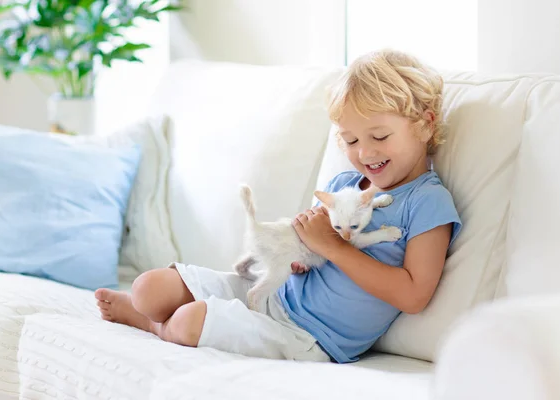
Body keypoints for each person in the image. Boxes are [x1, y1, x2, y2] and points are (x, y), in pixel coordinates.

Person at [95, 49, 462, 364]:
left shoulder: (427, 201)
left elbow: (414, 295)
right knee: (149, 288)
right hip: (271, 291)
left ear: (425, 125)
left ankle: (151, 324)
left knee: (186, 321)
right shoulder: (342, 186)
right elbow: (307, 250)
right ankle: (147, 308)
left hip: (309, 335)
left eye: (379, 136)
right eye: (350, 140)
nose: (365, 153)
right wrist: (304, 250)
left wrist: (332, 247)